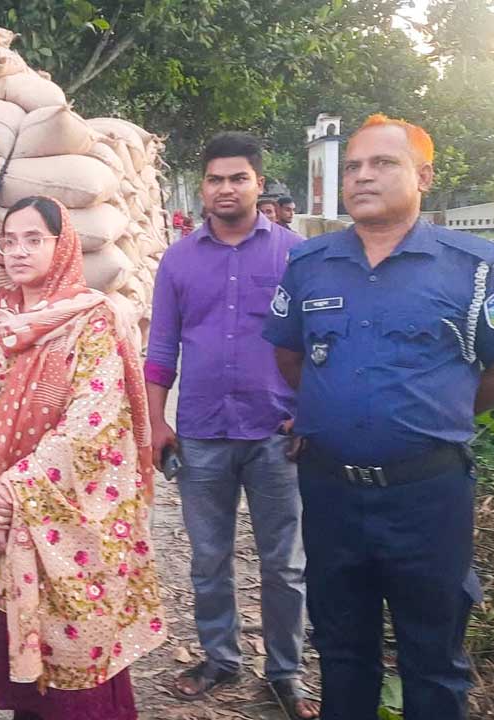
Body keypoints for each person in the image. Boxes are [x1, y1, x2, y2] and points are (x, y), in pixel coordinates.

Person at [264, 114, 494, 720]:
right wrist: (337, 413)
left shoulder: (475, 266)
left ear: (424, 176)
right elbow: (289, 355)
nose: (362, 177)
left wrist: (429, 419)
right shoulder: (309, 264)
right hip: (332, 493)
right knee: (341, 650)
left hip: (428, 496)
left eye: (383, 163)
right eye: (353, 166)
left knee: (433, 659)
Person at [0, 195, 165, 720]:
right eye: (9, 240)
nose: (19, 251)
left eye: (34, 239)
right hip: (1, 522)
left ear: (62, 247)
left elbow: (90, 430)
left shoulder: (92, 322)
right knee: (26, 679)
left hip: (66, 522)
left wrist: (11, 493)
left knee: (76, 669)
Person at [146, 133, 318, 720]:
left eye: (238, 178)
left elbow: (318, 344)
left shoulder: (296, 256)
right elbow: (161, 349)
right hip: (201, 433)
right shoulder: (178, 260)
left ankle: (286, 673)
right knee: (208, 559)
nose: (226, 188)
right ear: (202, 187)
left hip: (275, 435)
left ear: (257, 184)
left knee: (284, 564)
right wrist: (155, 422)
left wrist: (309, 410)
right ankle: (221, 658)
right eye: (215, 179)